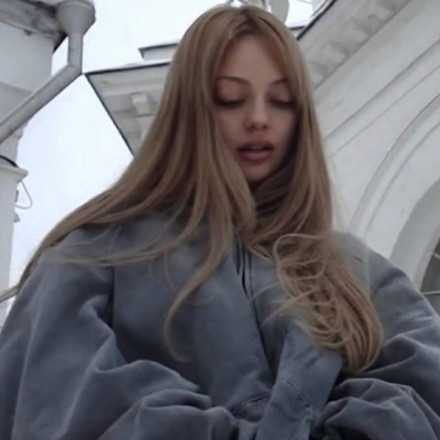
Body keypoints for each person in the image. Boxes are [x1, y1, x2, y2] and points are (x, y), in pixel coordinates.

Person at [1, 4, 440, 439]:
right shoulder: (96, 256)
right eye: (231, 99)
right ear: (188, 111)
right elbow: (62, 403)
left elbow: (424, 385)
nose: (259, 119)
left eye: (281, 101)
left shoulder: (356, 271)